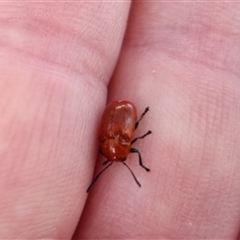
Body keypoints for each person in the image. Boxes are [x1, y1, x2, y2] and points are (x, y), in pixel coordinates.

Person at [1, 2, 240, 239]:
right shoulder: (116, 140)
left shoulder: (113, 140)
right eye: (122, 157)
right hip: (123, 112)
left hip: (123, 110)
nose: (120, 156)